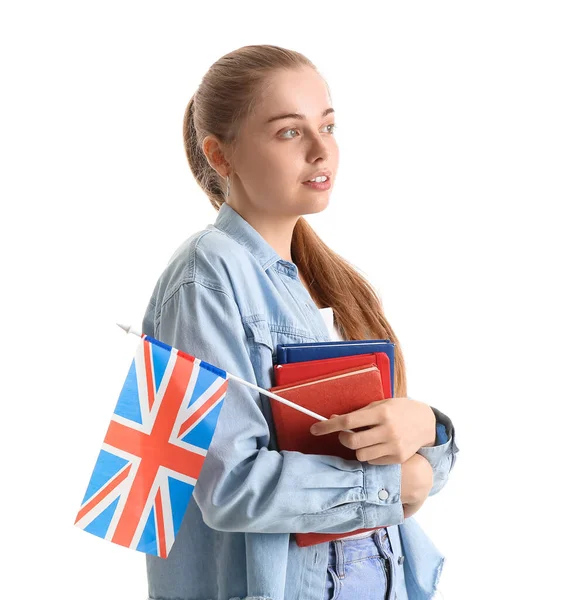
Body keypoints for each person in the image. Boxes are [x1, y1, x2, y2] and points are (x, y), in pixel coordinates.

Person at [142, 44, 459, 600]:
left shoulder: (329, 282)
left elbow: (392, 464)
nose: (321, 150)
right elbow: (230, 485)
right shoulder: (206, 276)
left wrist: (427, 428)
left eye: (329, 125)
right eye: (290, 131)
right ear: (221, 157)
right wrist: (391, 483)